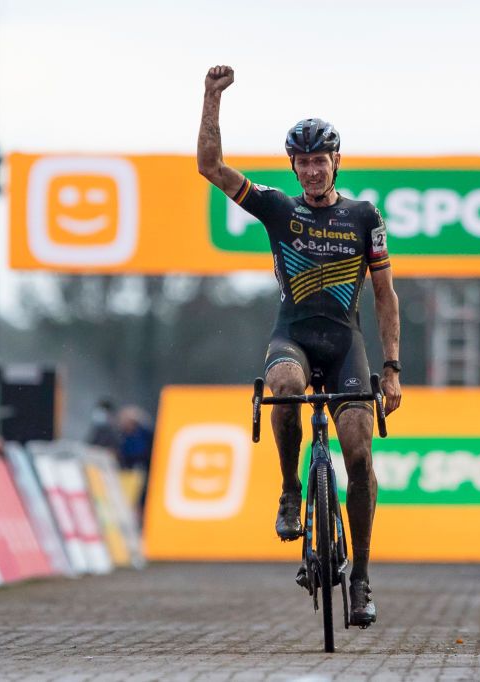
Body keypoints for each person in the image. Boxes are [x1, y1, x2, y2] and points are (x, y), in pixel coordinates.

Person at [197, 65, 402, 627]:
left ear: (336, 162)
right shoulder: (279, 209)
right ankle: (290, 490)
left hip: (346, 347)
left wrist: (391, 367)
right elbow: (210, 167)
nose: (313, 170)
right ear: (294, 166)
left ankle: (360, 578)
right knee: (284, 387)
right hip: (292, 339)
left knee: (358, 455)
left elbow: (385, 297)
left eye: (321, 160)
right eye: (304, 162)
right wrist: (211, 97)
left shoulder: (364, 217)